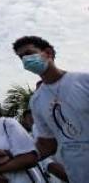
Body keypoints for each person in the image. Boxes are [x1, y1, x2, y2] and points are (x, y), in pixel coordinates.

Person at [13, 35, 87, 183]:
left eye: (29, 53)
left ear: (48, 52)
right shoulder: (37, 101)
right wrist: (12, 157)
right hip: (78, 175)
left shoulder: (84, 81)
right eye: (21, 57)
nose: (26, 60)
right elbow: (47, 145)